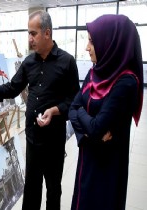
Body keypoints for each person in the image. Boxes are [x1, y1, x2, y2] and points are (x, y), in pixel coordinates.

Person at [0, 10, 80, 210]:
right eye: (29, 33)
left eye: (33, 33)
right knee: (32, 187)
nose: (30, 38)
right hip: (33, 137)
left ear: (47, 33)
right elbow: (13, 88)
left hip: (54, 141)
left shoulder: (67, 62)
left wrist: (55, 111)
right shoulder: (28, 62)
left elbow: (75, 101)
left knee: (53, 189)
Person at [68, 14, 143, 210]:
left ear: (111, 42)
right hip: (88, 155)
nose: (87, 47)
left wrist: (86, 121)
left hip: (106, 167)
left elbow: (95, 126)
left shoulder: (126, 82)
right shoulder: (95, 73)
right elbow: (72, 107)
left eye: (92, 41)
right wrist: (86, 135)